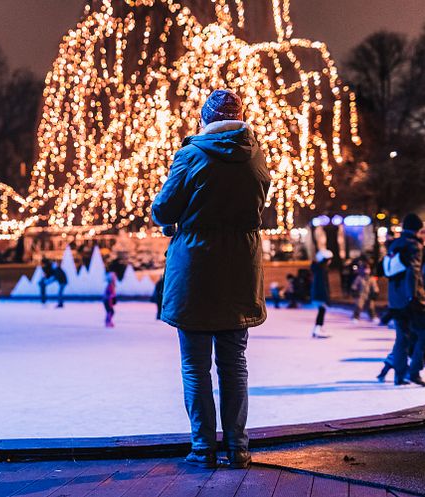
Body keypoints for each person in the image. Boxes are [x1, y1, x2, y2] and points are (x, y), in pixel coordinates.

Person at [152, 89, 271, 469]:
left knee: (195, 365)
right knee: (234, 363)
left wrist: (180, 217)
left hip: (197, 270)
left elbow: (163, 208)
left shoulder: (192, 154)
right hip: (241, 268)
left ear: (205, 119)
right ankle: (238, 447)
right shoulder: (256, 156)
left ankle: (203, 448)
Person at [386, 213, 425, 386]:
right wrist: (414, 296)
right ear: (418, 229)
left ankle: (399, 375)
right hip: (410, 298)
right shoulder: (414, 246)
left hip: (395, 298)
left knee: (401, 337)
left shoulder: (395, 244)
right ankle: (414, 372)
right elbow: (413, 272)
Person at [310, 250, 333, 338]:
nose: (330, 262)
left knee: (322, 310)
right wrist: (326, 297)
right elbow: (322, 285)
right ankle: (318, 329)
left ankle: (318, 328)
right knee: (322, 311)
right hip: (320, 294)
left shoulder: (319, 269)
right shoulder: (321, 270)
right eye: (329, 260)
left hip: (317, 293)